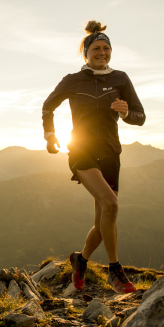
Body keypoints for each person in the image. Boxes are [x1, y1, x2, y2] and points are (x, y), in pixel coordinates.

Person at [41, 20, 146, 294]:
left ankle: (81, 259)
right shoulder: (72, 80)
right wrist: (50, 135)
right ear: (86, 53)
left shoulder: (121, 79)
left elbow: (140, 117)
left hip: (111, 153)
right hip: (81, 151)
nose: (102, 53)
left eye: (106, 48)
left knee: (104, 220)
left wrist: (125, 112)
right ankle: (115, 271)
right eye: (96, 48)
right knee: (111, 205)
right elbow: (48, 106)